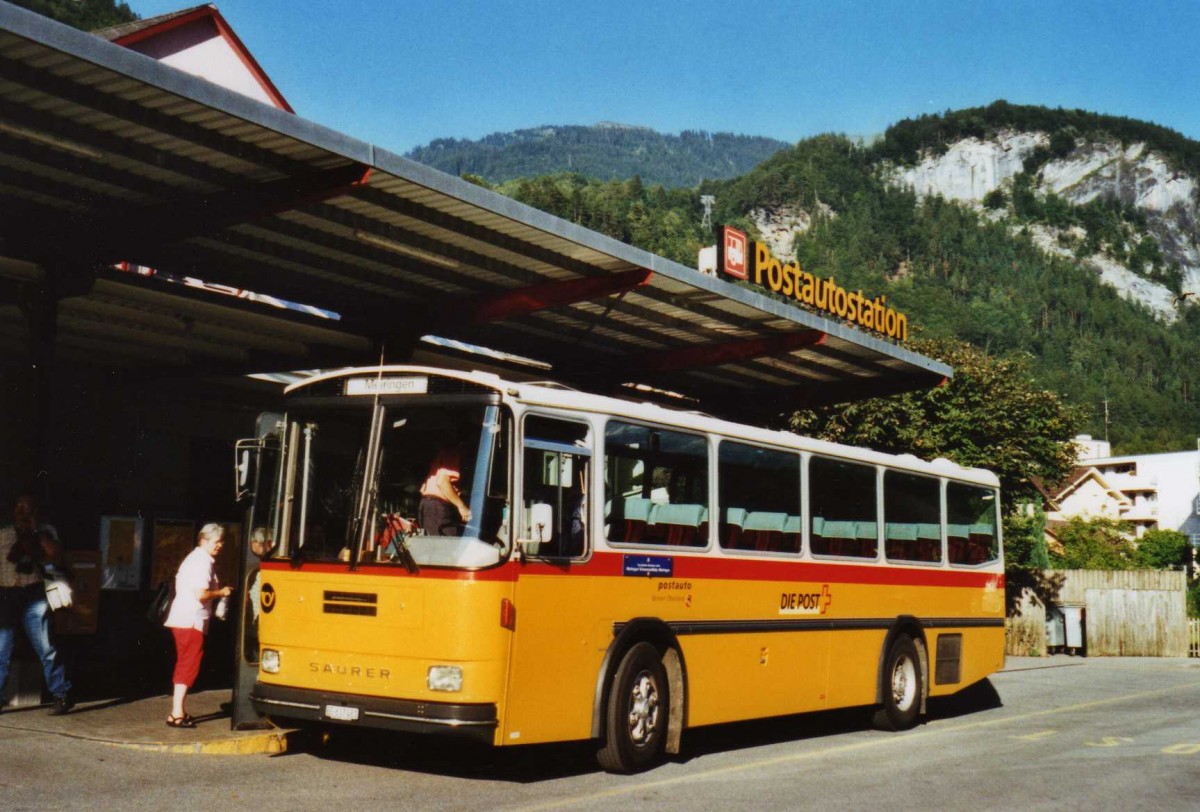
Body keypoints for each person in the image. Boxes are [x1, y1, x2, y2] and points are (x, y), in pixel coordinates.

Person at [0, 492, 73, 715]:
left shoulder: (45, 532)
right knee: (2, 649)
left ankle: (61, 694)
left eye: (26, 507)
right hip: (7, 594)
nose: (22, 511)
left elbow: (54, 555)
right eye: (18, 506)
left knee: (46, 647)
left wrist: (34, 531)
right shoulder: (4, 534)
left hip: (33, 592)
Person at [162, 523, 233, 728]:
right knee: (188, 664)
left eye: (222, 541)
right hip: (191, 620)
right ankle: (176, 713)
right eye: (216, 541)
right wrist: (222, 592)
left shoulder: (196, 559)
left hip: (185, 618)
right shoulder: (202, 562)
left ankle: (178, 710)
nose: (219, 545)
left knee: (185, 662)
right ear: (203, 540)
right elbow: (201, 595)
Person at [418, 434, 471, 537]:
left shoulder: (442, 456)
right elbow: (442, 482)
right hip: (437, 506)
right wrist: (461, 506)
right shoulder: (452, 454)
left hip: (429, 505)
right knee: (446, 543)